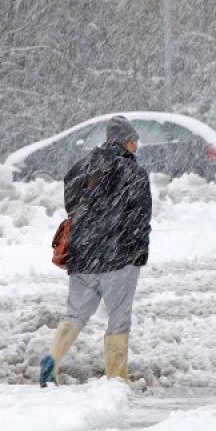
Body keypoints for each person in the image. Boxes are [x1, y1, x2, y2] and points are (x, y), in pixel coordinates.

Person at [39, 116, 152, 386]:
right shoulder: (133, 173)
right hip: (119, 257)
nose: (136, 146)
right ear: (127, 142)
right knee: (118, 317)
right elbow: (140, 217)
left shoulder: (82, 167)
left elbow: (71, 205)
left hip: (83, 253)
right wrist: (138, 250)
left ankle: (52, 359)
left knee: (75, 314)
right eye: (134, 141)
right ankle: (117, 379)